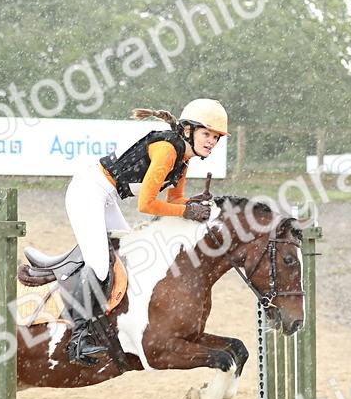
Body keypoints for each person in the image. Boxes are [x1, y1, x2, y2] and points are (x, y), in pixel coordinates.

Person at [61, 98, 230, 365]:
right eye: (206, 134)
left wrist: (194, 203)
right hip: (88, 191)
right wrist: (187, 212)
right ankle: (77, 339)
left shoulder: (184, 159)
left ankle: (106, 326)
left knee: (126, 256)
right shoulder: (167, 150)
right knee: (101, 265)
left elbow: (175, 201)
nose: (211, 141)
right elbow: (146, 205)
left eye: (216, 137)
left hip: (107, 197)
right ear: (188, 130)